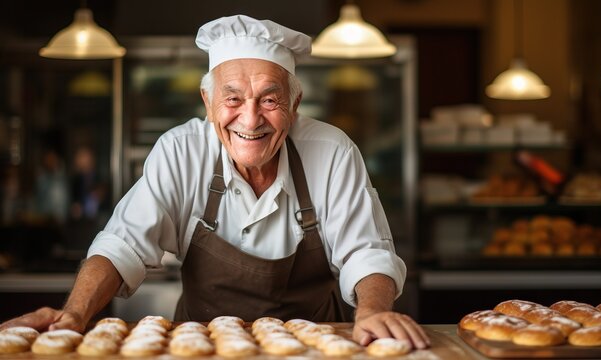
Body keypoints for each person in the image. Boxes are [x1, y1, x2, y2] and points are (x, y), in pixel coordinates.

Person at [0, 15, 429, 349]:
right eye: (233, 98)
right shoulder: (180, 151)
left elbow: (366, 251)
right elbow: (123, 243)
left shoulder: (332, 151)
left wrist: (372, 311)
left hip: (312, 348)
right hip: (203, 349)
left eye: (270, 99)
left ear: (295, 102)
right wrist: (74, 315)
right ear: (208, 102)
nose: (250, 118)